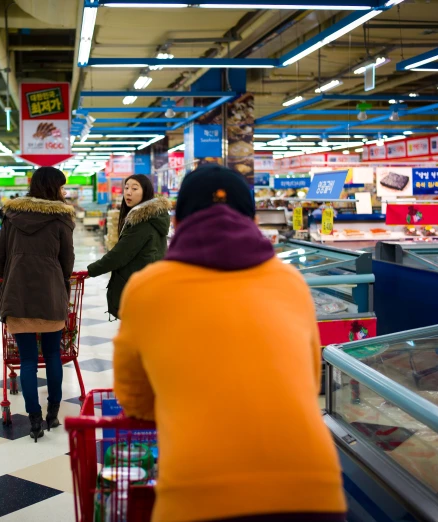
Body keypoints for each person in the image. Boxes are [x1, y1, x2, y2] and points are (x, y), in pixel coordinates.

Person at [113, 165, 347, 522]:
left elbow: (135, 398)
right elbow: (310, 378)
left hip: (197, 492)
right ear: (252, 217)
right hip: (311, 488)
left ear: (178, 221)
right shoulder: (290, 282)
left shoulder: (147, 288)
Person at [0, 167, 75, 442]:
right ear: (53, 188)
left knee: (27, 359)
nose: (64, 192)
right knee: (53, 355)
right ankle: (53, 412)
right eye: (61, 187)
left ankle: (34, 420)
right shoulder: (61, 219)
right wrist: (59, 281)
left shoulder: (12, 217)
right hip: (50, 296)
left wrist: (8, 276)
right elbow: (67, 260)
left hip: (17, 296)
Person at [87, 174, 170, 319]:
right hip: (150, 284)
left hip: (138, 287)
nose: (128, 192)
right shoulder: (154, 217)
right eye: (126, 188)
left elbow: (119, 255)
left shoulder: (142, 222)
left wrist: (90, 271)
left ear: (146, 192)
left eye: (134, 188)